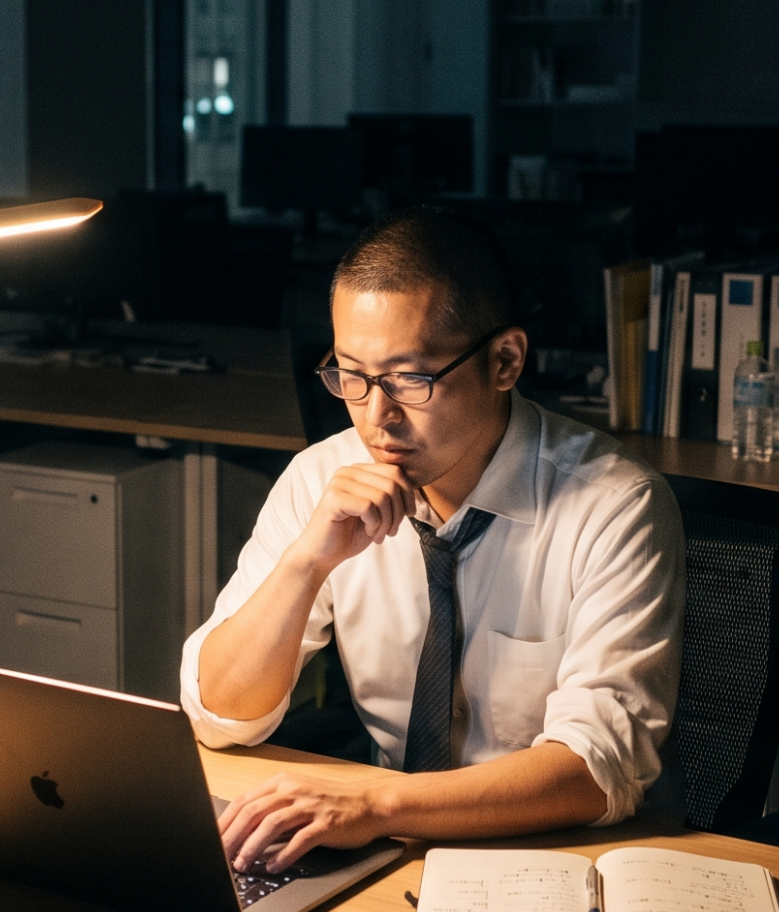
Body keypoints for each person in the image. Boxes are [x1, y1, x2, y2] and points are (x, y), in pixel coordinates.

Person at [185, 209, 684, 873]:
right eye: (352, 376)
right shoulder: (323, 478)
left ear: (505, 360)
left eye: (409, 379)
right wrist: (306, 565)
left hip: (560, 856)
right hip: (393, 851)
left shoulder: (616, 505)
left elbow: (597, 768)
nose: (375, 416)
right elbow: (219, 717)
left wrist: (378, 807)